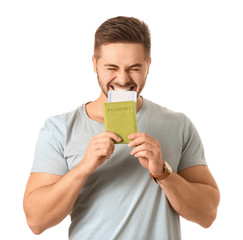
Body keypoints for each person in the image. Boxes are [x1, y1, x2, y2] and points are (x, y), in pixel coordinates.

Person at [23, 16, 220, 240]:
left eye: (134, 68)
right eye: (112, 68)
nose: (123, 79)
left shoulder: (178, 125)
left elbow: (208, 215)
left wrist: (162, 173)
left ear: (148, 66)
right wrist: (83, 168)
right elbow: (36, 222)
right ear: (94, 64)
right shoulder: (59, 129)